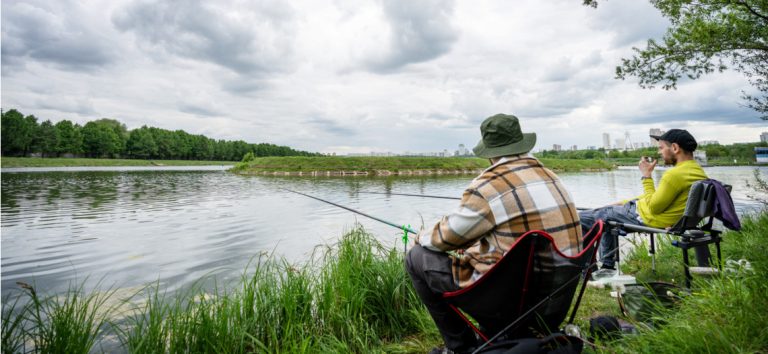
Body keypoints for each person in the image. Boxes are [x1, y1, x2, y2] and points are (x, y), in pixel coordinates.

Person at [405, 114, 583, 354]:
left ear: (490, 153)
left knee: (416, 257)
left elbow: (444, 239)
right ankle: (498, 335)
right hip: (555, 302)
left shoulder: (487, 186)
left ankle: (463, 347)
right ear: (521, 144)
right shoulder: (552, 177)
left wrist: (420, 236)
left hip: (513, 305)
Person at [579, 129, 707, 279]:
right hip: (655, 215)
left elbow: (654, 207)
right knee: (606, 215)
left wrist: (646, 176)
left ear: (674, 148)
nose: (659, 152)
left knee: (581, 219)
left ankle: (589, 271)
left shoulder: (674, 175)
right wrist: (625, 202)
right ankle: (607, 268)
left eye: (661, 148)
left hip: (647, 217)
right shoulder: (697, 172)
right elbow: (660, 198)